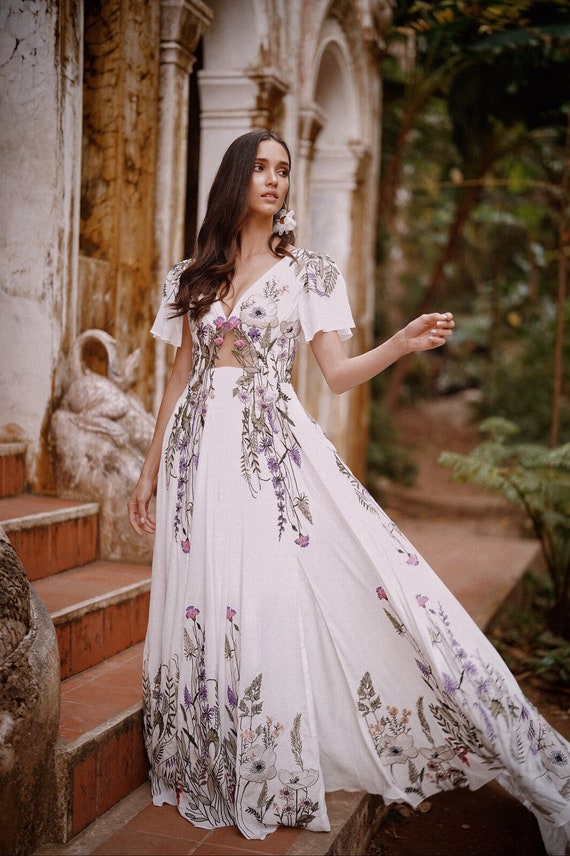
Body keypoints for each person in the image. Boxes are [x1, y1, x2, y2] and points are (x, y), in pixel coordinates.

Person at [128, 129, 570, 853]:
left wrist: (398, 343)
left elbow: (333, 374)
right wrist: (149, 470)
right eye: (261, 169)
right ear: (236, 179)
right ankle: (208, 749)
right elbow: (180, 377)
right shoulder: (195, 275)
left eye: (284, 171)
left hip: (269, 457)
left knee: (272, 591)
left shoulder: (309, 273)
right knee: (205, 592)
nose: (273, 181)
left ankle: (270, 758)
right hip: (196, 459)